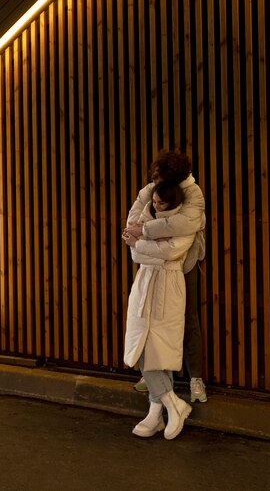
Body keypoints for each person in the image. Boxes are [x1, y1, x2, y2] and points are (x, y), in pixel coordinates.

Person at [125, 150, 207, 403]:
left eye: (161, 177)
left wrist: (145, 232)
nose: (156, 181)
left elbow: (184, 228)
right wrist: (146, 242)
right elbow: (131, 224)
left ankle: (195, 377)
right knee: (149, 317)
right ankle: (154, 375)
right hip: (151, 265)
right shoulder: (150, 189)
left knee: (187, 318)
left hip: (185, 263)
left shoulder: (192, 192)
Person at [122, 180, 195, 439]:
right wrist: (147, 248)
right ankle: (168, 407)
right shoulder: (145, 218)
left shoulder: (184, 223)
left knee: (159, 346)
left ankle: (162, 410)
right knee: (142, 343)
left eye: (161, 203)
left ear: (173, 202)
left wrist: (140, 244)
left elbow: (172, 251)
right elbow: (138, 256)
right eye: (153, 201)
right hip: (145, 282)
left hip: (168, 286)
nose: (155, 206)